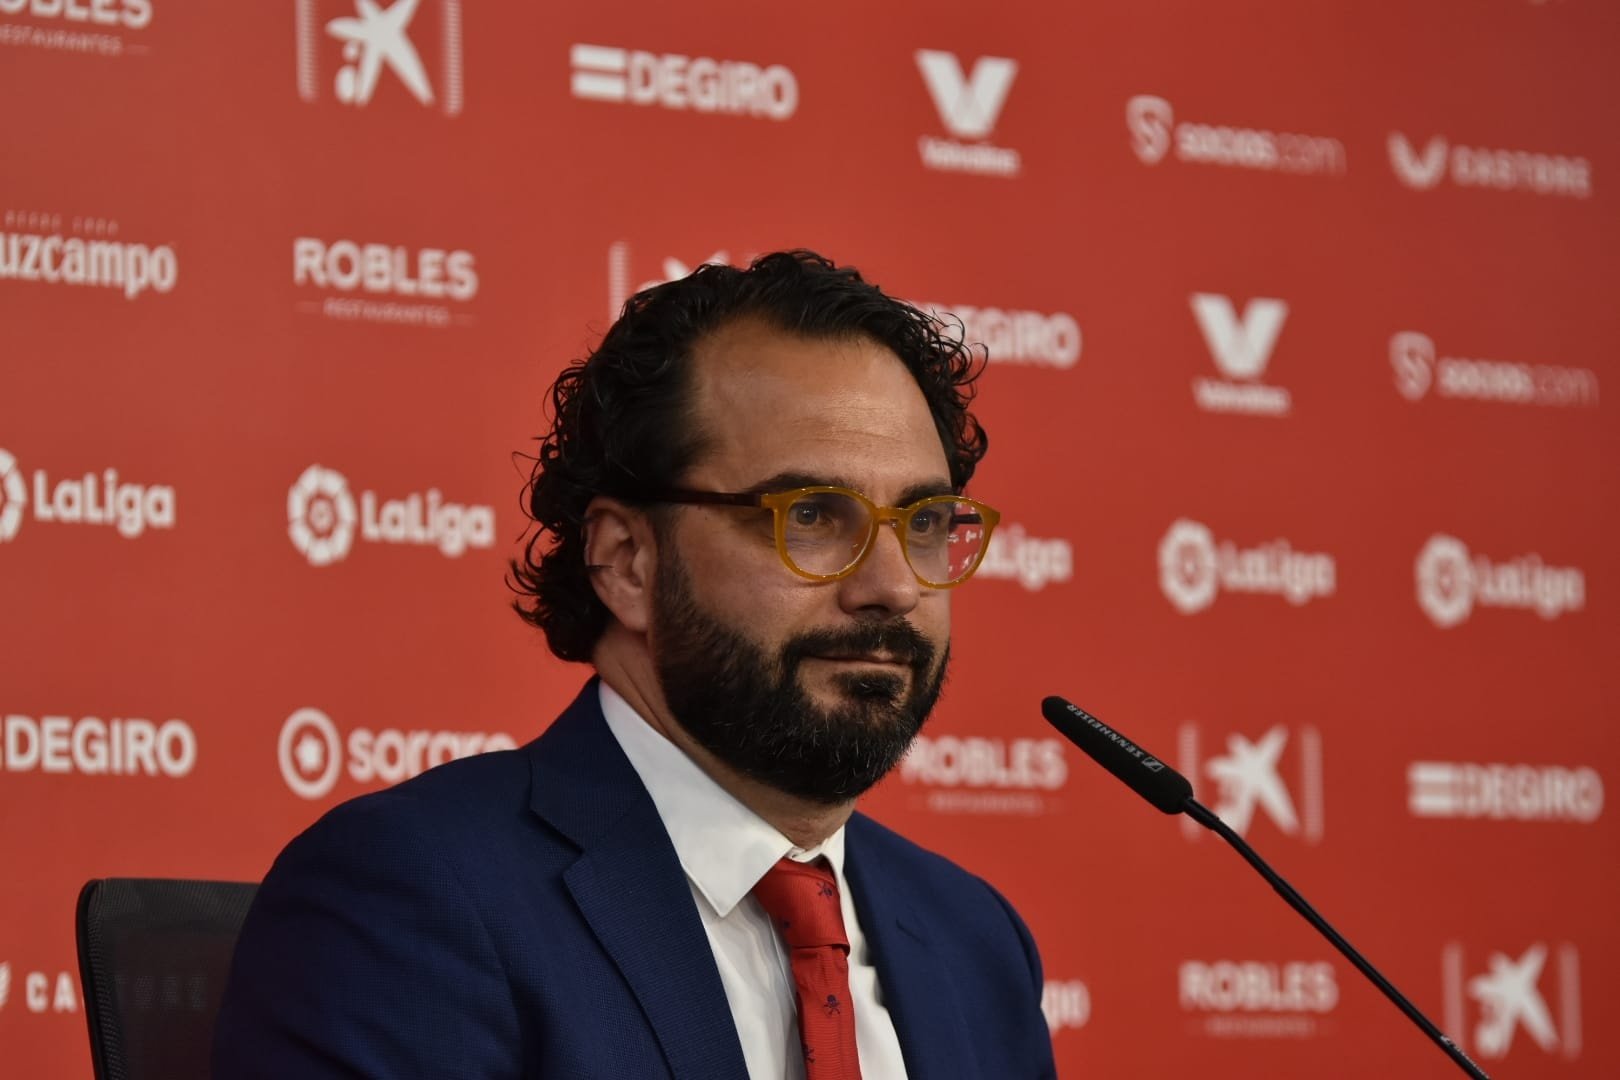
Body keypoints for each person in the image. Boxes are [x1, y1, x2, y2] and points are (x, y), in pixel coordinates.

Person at [212, 251, 1058, 1079]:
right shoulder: (413, 899)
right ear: (626, 562)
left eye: (922, 522)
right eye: (811, 516)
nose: (892, 588)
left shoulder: (974, 943)